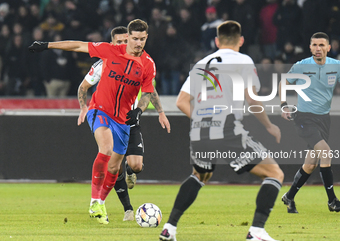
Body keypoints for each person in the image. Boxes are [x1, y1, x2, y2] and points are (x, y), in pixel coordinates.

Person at [159, 20, 284, 241]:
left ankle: (169, 228)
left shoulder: (201, 64)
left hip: (199, 130)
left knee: (200, 175)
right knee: (274, 174)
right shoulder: (243, 60)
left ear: (217, 41)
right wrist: (269, 126)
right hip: (227, 128)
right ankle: (256, 231)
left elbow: (181, 101)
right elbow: (253, 101)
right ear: (241, 41)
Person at [29, 19, 156, 225]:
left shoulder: (148, 64)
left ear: (146, 38)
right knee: (105, 149)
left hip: (123, 119)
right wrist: (47, 45)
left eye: (142, 39)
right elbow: (78, 45)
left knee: (114, 169)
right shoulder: (110, 51)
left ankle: (100, 203)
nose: (138, 43)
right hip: (100, 110)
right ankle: (95, 200)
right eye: (134, 38)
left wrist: (139, 110)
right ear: (129, 37)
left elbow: (148, 93)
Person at [78, 26, 170, 222]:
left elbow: (149, 90)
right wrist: (83, 107)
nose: (123, 44)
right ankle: (123, 208)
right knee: (111, 157)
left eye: (124, 41)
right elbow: (84, 86)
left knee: (135, 166)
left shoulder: (143, 63)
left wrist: (160, 112)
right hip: (105, 113)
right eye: (118, 42)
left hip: (130, 118)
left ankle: (127, 175)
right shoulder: (104, 63)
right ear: (113, 43)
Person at [279, 32, 340, 213]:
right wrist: (283, 105)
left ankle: (289, 197)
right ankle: (332, 201)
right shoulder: (301, 66)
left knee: (311, 164)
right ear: (310, 47)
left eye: (321, 45)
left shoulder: (336, 66)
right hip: (304, 118)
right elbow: (283, 83)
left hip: (324, 118)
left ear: (329, 48)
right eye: (314, 45)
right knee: (326, 152)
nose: (318, 48)